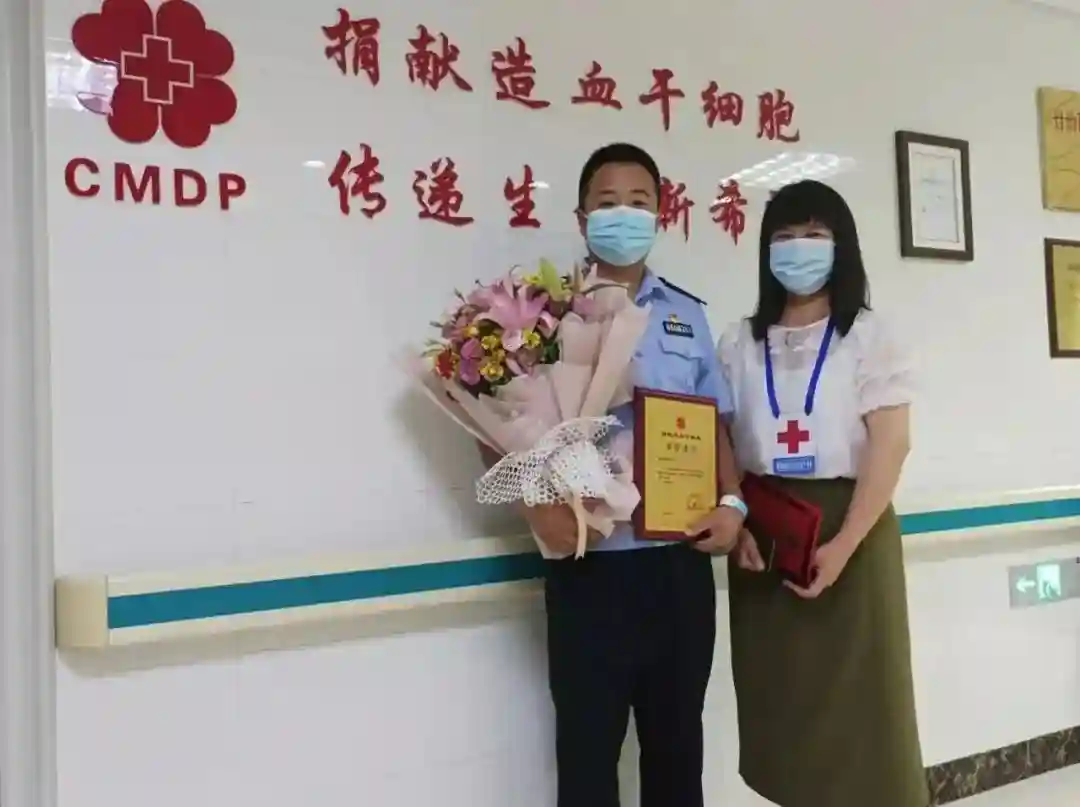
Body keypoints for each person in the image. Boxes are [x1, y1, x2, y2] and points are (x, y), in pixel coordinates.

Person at [483, 143, 746, 807]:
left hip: (678, 564)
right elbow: (492, 430)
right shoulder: (538, 318)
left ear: (661, 214)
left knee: (677, 754)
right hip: (589, 568)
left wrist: (734, 503)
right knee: (587, 756)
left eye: (638, 202)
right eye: (607, 203)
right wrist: (535, 505)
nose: (623, 214)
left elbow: (714, 425)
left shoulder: (686, 315)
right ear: (581, 219)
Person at [717, 179, 927, 807]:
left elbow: (890, 444)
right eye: (784, 236)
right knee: (781, 704)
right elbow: (719, 437)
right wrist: (736, 515)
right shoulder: (739, 341)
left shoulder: (869, 335)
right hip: (764, 531)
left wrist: (844, 543)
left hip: (849, 528)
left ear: (842, 246)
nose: (798, 248)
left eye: (814, 235)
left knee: (863, 708)